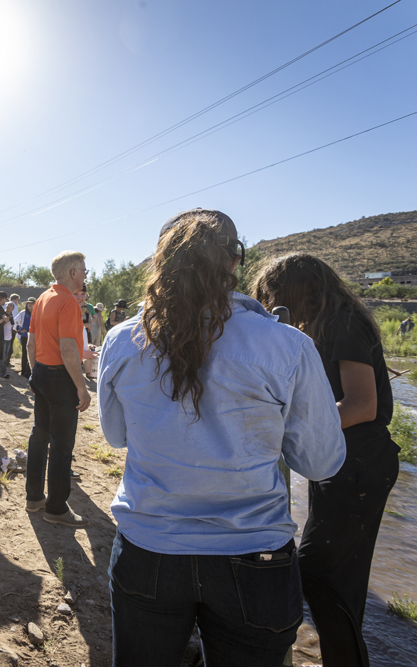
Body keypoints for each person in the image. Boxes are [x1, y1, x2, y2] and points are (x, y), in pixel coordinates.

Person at [98, 209, 345, 666]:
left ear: (160, 262)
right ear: (235, 263)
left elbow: (115, 436)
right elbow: (321, 462)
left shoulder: (121, 340)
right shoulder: (287, 345)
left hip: (149, 546)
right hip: (256, 560)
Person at [253, 253, 400, 667]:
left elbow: (362, 404)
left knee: (319, 571)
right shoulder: (331, 322)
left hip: (359, 464)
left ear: (297, 292)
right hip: (343, 462)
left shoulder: (342, 324)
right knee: (341, 578)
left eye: (274, 296)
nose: (270, 305)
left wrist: (290, 430)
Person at [25, 251, 95, 527]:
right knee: (62, 445)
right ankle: (56, 508)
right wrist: (82, 387)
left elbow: (31, 344)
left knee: (40, 436)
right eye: (84, 271)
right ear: (73, 272)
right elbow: (68, 348)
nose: (86, 275)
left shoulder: (43, 298)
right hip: (60, 377)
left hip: (42, 372)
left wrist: (34, 374)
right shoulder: (66, 301)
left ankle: (34, 497)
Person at [13, 297, 35, 378]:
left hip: (34, 336)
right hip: (25, 336)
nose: (30, 305)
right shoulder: (23, 313)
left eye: (31, 304)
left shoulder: (37, 313)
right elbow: (15, 322)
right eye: (28, 304)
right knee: (25, 353)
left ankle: (30, 371)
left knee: (33, 353)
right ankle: (24, 371)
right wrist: (19, 329)